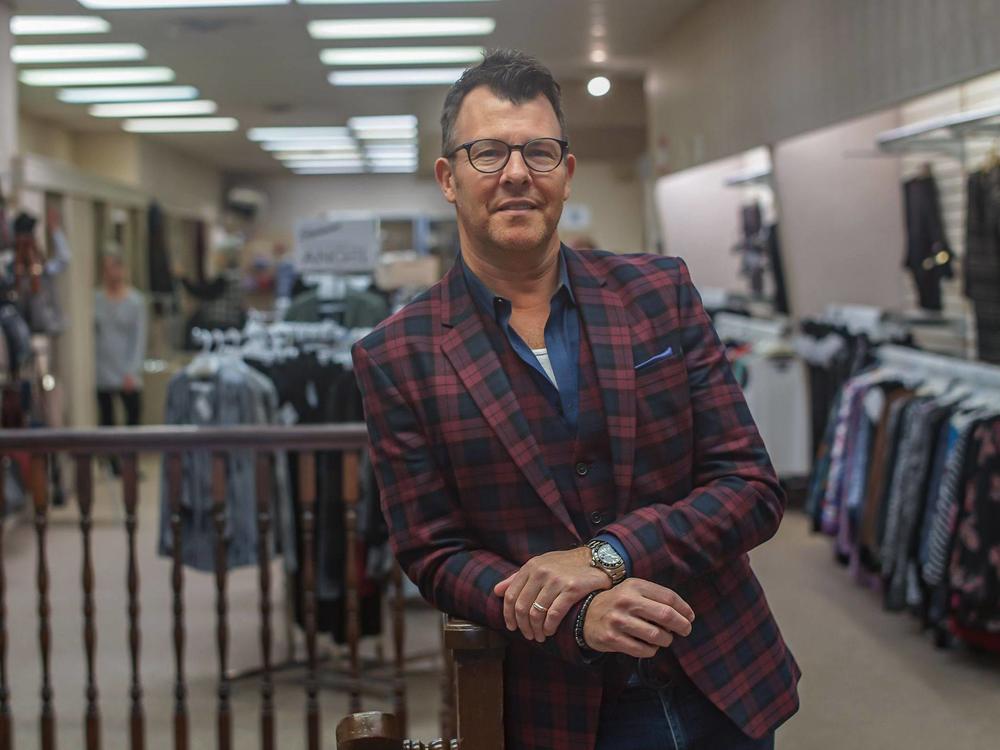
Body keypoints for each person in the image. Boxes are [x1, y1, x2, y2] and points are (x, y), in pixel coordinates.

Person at [352, 50, 800, 750]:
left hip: (721, 678)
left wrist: (608, 555)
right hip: (560, 709)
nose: (516, 174)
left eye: (539, 150)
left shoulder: (660, 293)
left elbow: (749, 487)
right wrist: (574, 616)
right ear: (448, 177)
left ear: (566, 170)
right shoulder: (396, 355)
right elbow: (434, 553)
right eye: (487, 152)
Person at [94, 244, 147, 470]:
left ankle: (130, 461)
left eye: (114, 267)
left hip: (126, 368)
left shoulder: (135, 301)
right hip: (102, 367)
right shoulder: (95, 299)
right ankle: (111, 461)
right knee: (107, 419)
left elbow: (139, 338)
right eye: (106, 268)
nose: (111, 273)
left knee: (132, 417)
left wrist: (131, 371)